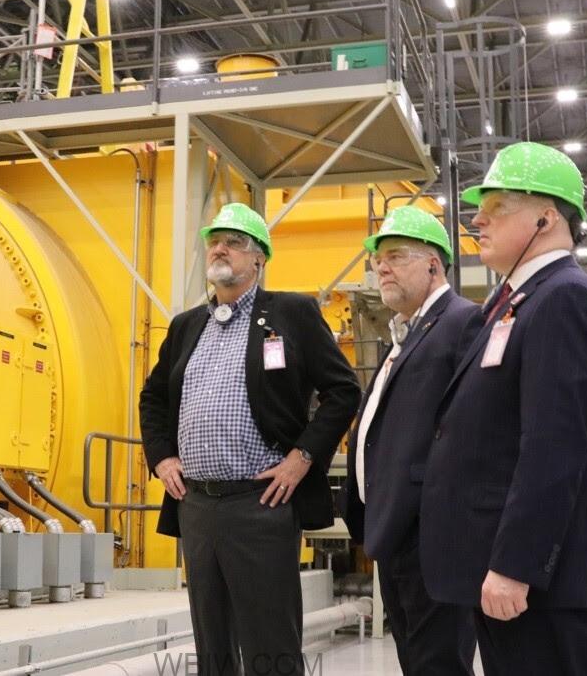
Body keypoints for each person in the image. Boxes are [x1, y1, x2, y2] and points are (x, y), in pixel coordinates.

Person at [419, 142, 587, 676]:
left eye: (497, 207)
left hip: (542, 583)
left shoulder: (566, 298)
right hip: (513, 578)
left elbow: (554, 447)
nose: (477, 220)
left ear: (545, 219)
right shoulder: (515, 303)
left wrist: (516, 565)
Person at [140, 203, 361, 676]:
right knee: (213, 647)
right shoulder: (186, 326)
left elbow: (344, 391)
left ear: (259, 257)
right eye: (215, 240)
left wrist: (303, 457)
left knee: (270, 647)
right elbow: (153, 397)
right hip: (196, 505)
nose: (220, 248)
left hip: (260, 503)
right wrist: (161, 457)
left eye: (235, 241)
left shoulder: (291, 313)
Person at [342, 206, 481, 675]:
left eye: (396, 256)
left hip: (435, 534)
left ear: (433, 265)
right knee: (416, 662)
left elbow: (473, 430)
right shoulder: (404, 334)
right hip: (396, 531)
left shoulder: (463, 322)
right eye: (377, 259)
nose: (381, 267)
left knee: (438, 663)